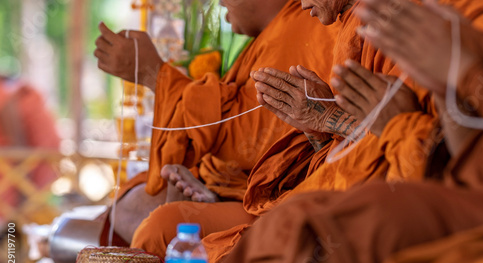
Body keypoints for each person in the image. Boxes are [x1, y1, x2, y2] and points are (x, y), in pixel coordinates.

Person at [131, 0, 483, 263]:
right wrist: (317, 128)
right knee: (164, 226)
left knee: (177, 237)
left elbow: (432, 159)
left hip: (367, 210)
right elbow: (357, 144)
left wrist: (153, 74)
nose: (300, 3)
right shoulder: (349, 28)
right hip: (309, 193)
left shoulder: (442, 19)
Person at [205, 0, 483, 263]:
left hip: (450, 203)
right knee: (280, 235)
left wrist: (456, 74)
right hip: (381, 187)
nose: (300, 4)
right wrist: (323, 127)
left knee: (308, 240)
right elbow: (361, 148)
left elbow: (444, 158)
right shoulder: (365, 25)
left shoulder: (463, 17)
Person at [94, 0, 339, 244]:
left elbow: (253, 144)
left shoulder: (304, 25)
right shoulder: (274, 32)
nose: (220, 3)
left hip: (259, 201)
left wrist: (154, 73)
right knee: (105, 217)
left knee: (157, 227)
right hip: (221, 184)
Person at [0, 76, 60, 225]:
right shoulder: (10, 93)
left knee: (16, 226)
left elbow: (19, 145)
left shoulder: (9, 93)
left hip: (26, 171)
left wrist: (23, 189)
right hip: (19, 174)